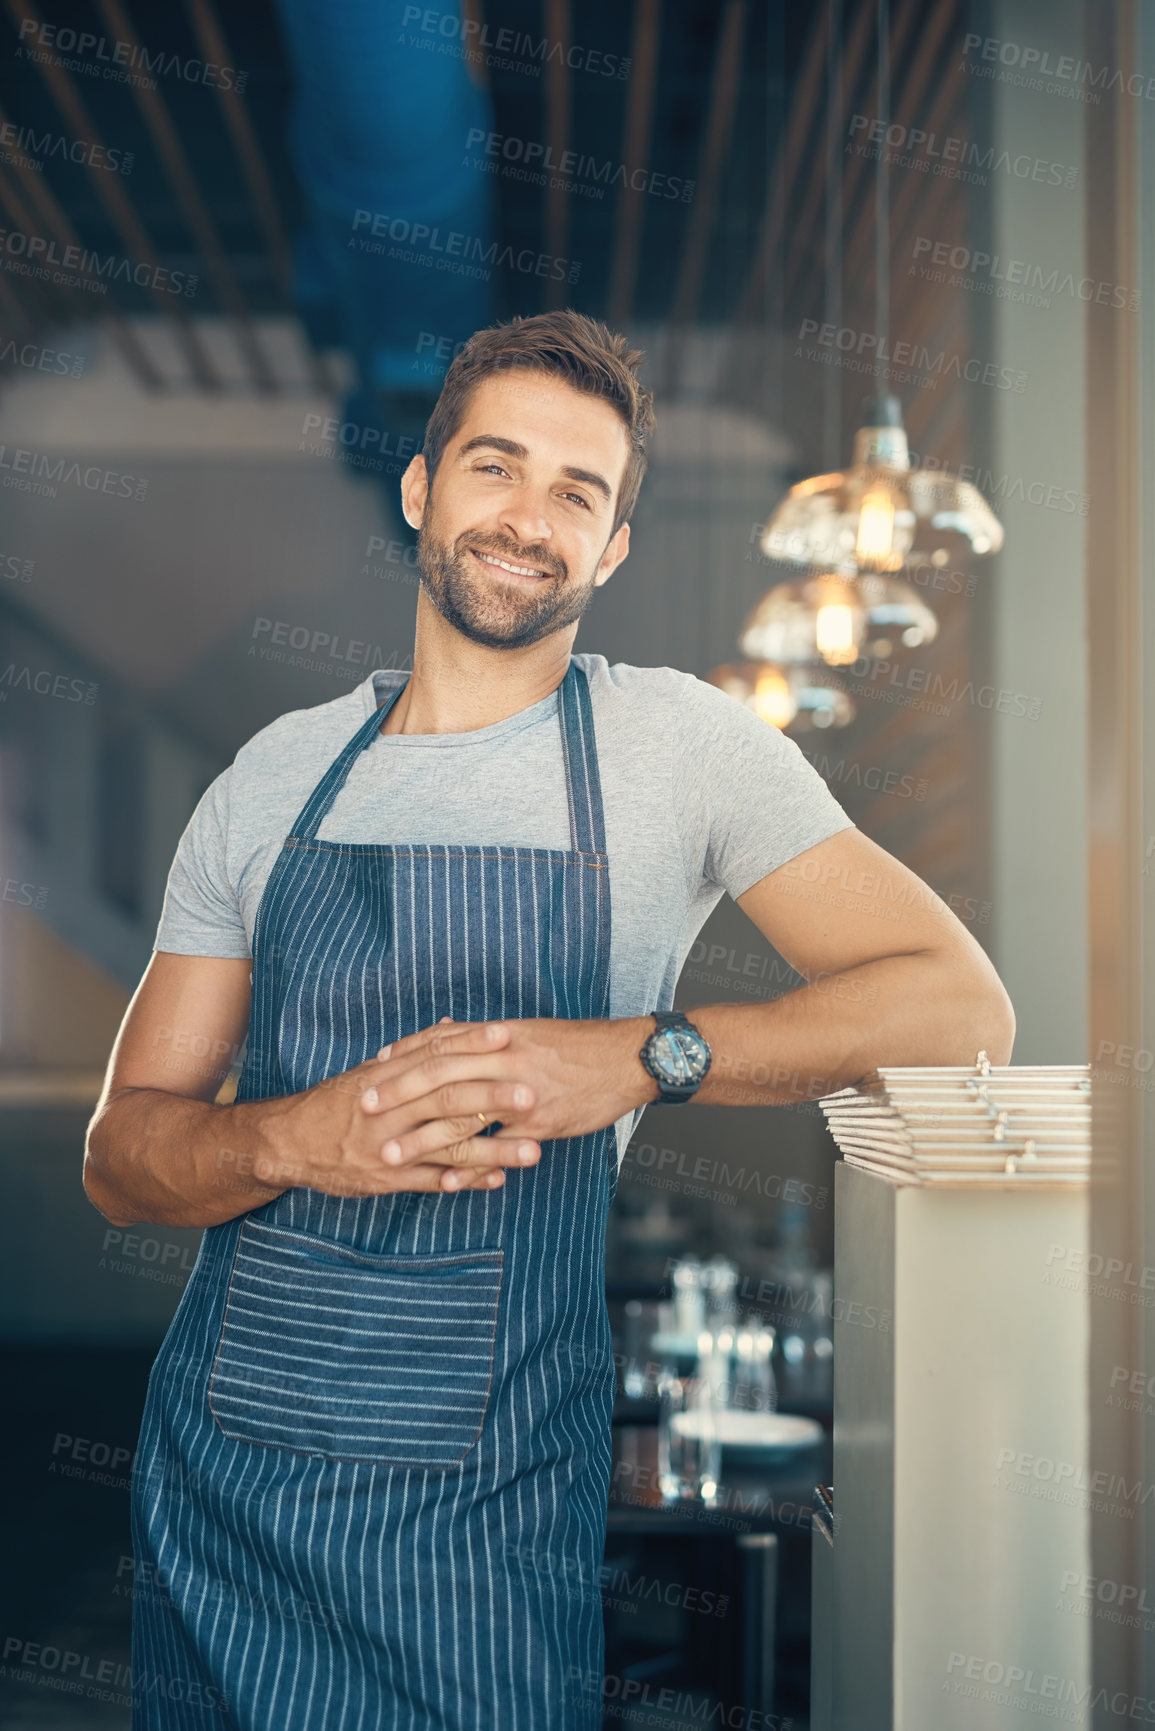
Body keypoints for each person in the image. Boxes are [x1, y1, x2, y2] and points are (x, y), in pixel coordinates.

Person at [84, 310, 1014, 1731]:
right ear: (421, 488)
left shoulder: (678, 749)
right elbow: (123, 1158)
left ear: (617, 546)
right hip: (227, 1493)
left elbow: (960, 1008)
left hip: (485, 1507)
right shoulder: (273, 779)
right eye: (495, 468)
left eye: (579, 493)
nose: (530, 518)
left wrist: (645, 1053)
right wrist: (290, 1138)